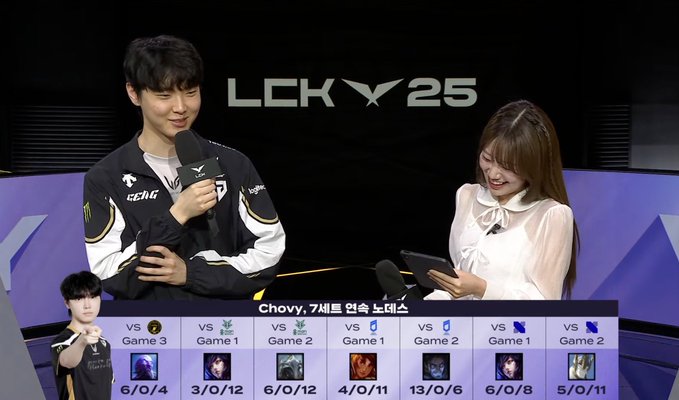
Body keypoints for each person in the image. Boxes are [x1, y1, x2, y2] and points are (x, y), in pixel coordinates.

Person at [83, 34, 285, 300]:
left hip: (223, 323)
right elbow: (110, 274)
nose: (181, 107)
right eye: (164, 95)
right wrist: (176, 216)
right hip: (149, 325)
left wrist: (191, 273)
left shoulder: (233, 164)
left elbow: (269, 254)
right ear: (134, 93)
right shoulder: (105, 177)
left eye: (191, 92)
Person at [425, 99, 579, 300]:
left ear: (534, 166)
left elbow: (544, 305)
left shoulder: (553, 215)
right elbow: (458, 282)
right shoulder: (467, 195)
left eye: (507, 166)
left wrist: (482, 289)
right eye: (487, 159)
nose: (493, 174)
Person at [51, 271, 113, 400]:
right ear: (67, 303)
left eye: (93, 297)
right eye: (79, 299)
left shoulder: (104, 343)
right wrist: (82, 342)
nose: (87, 305)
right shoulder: (62, 341)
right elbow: (66, 361)